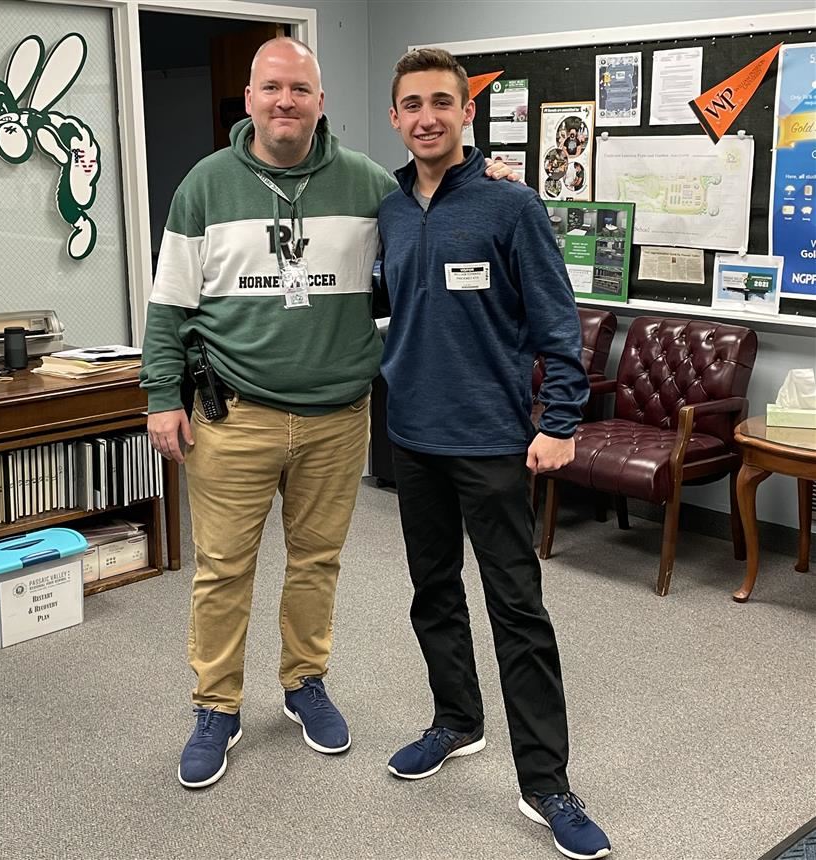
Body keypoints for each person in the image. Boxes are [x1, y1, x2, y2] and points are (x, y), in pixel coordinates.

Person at [140, 37, 513, 791]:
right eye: (272, 88)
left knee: (316, 563)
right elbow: (169, 303)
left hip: (337, 418)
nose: (286, 101)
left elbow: (439, 199)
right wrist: (159, 396)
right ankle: (217, 707)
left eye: (300, 89)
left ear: (321, 101)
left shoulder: (369, 184)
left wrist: (493, 173)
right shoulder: (204, 187)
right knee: (222, 570)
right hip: (233, 415)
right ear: (248, 99)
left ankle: (304, 683)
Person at [377, 48, 611, 860]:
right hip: (410, 435)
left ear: (466, 111)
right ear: (397, 116)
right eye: (412, 104)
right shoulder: (391, 208)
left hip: (491, 441)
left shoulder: (512, 206)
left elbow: (557, 321)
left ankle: (546, 782)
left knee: (517, 608)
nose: (427, 117)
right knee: (432, 590)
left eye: (442, 101)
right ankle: (456, 720)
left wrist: (561, 420)